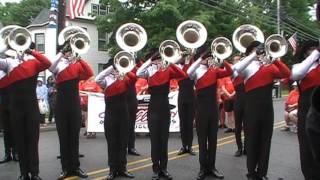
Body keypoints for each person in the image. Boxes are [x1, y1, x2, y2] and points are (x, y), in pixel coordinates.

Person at [233, 41, 290, 180]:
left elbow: (286, 73)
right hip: (251, 110)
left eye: (261, 49)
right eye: (256, 49)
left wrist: (275, 59)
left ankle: (262, 173)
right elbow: (237, 68)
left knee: (266, 141)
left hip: (267, 110)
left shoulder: (270, 67)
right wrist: (253, 55)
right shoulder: (248, 67)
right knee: (252, 141)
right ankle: (251, 172)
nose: (259, 51)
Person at [0, 46, 51, 180]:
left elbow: (47, 63)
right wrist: (6, 46)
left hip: (31, 108)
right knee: (20, 141)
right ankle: (24, 173)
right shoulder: (8, 63)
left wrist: (31, 51)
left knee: (33, 141)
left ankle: (35, 173)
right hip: (16, 108)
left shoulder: (33, 62)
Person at [136, 49, 186, 180]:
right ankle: (155, 169)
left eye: (160, 59)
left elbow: (182, 74)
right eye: (156, 59)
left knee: (164, 140)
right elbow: (138, 72)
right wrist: (150, 61)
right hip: (153, 108)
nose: (159, 62)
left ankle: (164, 168)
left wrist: (169, 62)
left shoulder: (168, 70)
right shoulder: (149, 71)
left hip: (164, 107)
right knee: (155, 141)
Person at [187, 47, 232, 180]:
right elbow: (188, 71)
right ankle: (202, 168)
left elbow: (230, 71)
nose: (209, 59)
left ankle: (212, 167)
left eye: (210, 57)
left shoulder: (215, 70)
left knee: (213, 140)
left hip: (213, 109)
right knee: (202, 140)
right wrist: (200, 58)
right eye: (207, 57)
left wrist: (222, 61)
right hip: (201, 109)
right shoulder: (196, 71)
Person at [49, 43, 93, 179]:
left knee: (74, 138)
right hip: (61, 104)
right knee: (63, 138)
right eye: (67, 51)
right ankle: (65, 168)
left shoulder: (76, 64)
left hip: (74, 103)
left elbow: (89, 73)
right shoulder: (58, 64)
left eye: (70, 51)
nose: (69, 53)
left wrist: (79, 59)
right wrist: (62, 54)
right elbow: (50, 67)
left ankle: (75, 167)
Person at [95, 60, 135, 180]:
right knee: (112, 142)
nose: (116, 71)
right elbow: (97, 79)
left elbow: (134, 78)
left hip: (123, 113)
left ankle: (122, 168)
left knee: (123, 142)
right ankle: (112, 169)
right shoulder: (106, 80)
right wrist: (111, 68)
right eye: (115, 69)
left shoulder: (125, 79)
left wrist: (124, 71)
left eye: (117, 68)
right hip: (111, 114)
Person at [291, 40, 320, 179]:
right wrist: (316, 53)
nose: (314, 50)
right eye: (311, 49)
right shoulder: (300, 66)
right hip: (307, 108)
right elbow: (296, 74)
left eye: (316, 48)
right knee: (308, 147)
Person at [176, 55, 196, 156]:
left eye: (186, 57)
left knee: (190, 122)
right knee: (183, 122)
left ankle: (190, 146)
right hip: (182, 96)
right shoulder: (179, 67)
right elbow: (184, 73)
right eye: (184, 57)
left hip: (191, 96)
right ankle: (184, 145)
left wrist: (189, 61)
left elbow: (190, 73)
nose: (185, 58)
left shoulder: (192, 66)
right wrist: (183, 58)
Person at [0, 68, 18, 164]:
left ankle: (15, 152)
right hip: (3, 105)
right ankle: (7, 154)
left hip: (13, 104)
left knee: (14, 130)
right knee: (6, 131)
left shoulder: (12, 72)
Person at [231, 55, 247, 157]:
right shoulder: (234, 71)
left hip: (247, 100)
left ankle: (246, 147)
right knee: (237, 126)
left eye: (239, 59)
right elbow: (234, 71)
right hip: (238, 100)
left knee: (247, 126)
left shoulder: (246, 70)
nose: (238, 61)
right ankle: (239, 148)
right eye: (236, 60)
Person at [127, 59, 142, 156]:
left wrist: (136, 61)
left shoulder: (133, 69)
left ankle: (131, 147)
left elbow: (138, 75)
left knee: (131, 126)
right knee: (121, 126)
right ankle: (121, 146)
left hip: (131, 100)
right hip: (121, 100)